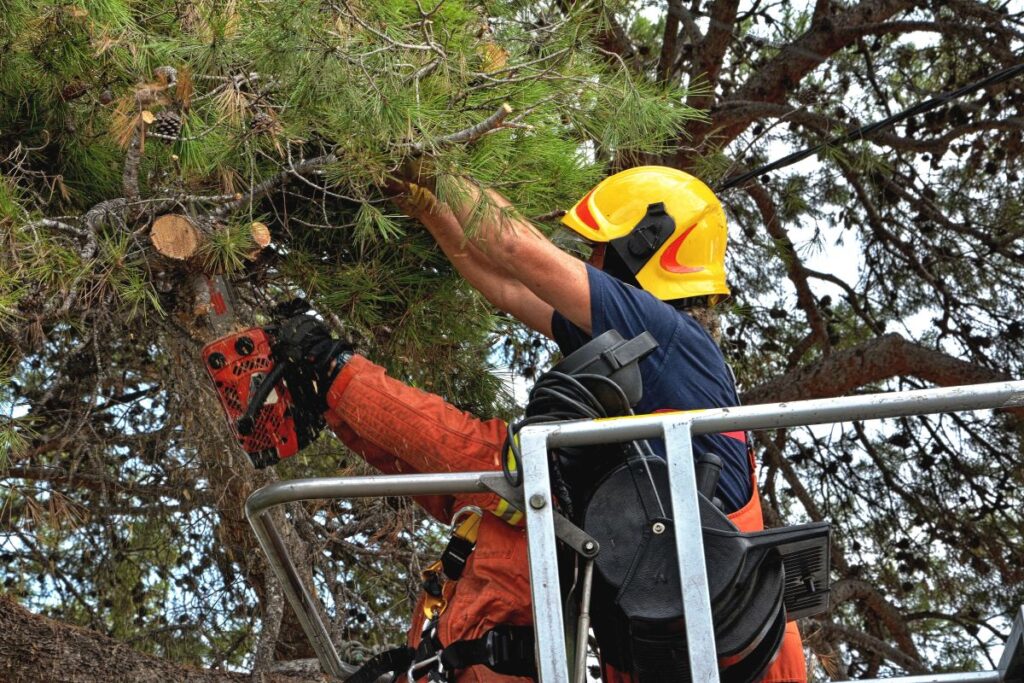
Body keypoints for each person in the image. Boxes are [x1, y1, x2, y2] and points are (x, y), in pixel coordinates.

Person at [248, 167, 807, 681]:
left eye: (597, 250)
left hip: (714, 647)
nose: (589, 265)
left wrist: (422, 159)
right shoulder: (649, 350)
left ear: (644, 245)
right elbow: (508, 288)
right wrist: (428, 207)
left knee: (520, 464)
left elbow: (516, 250)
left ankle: (335, 382)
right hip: (670, 643)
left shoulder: (672, 340)